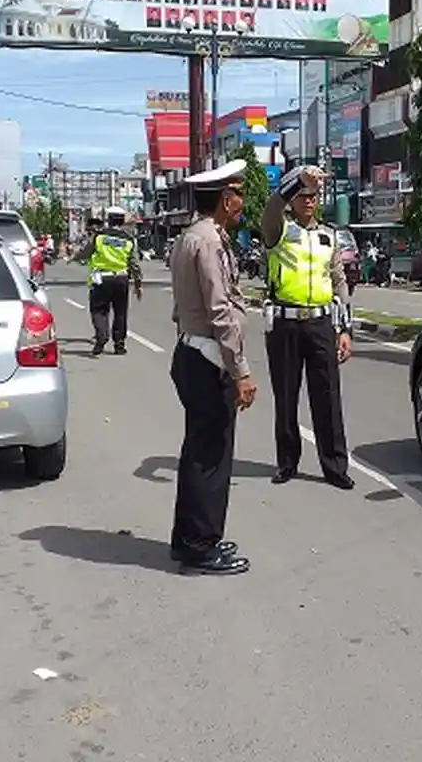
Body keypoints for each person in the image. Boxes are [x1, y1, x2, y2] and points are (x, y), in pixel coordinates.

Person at [168, 159, 256, 575]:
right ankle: (202, 546)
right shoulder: (211, 243)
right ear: (225, 199)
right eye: (238, 195)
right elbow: (220, 309)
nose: (242, 203)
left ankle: (188, 538)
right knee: (211, 456)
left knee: (196, 452)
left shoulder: (189, 238)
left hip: (190, 351)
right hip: (208, 359)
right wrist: (240, 371)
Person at [260, 165, 354, 490]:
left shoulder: (329, 235)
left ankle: (335, 466)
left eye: (313, 195)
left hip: (321, 323)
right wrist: (297, 180)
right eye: (302, 195)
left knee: (327, 396)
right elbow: (271, 207)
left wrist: (344, 329)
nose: (308, 200)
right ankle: (287, 462)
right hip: (285, 323)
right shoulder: (278, 229)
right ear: (293, 199)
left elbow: (339, 282)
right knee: (286, 396)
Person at [74, 208, 143, 356]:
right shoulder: (129, 239)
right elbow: (134, 263)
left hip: (102, 279)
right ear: (122, 222)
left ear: (109, 221)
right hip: (121, 278)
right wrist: (138, 283)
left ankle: (101, 336)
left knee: (98, 310)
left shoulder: (99, 236)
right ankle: (119, 345)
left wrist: (75, 257)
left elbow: (86, 252)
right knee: (120, 312)